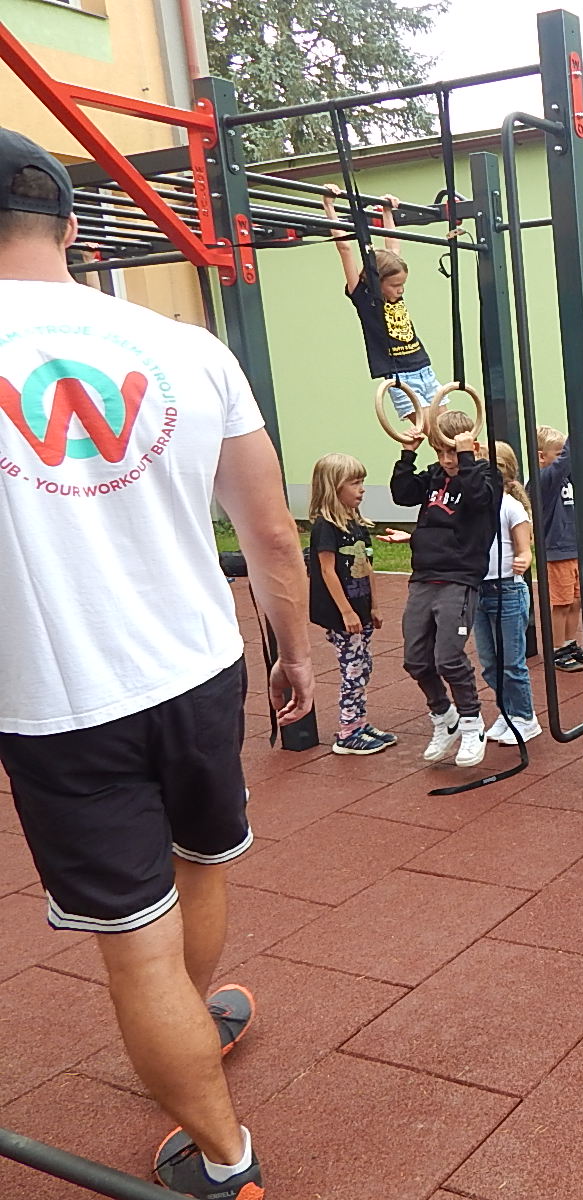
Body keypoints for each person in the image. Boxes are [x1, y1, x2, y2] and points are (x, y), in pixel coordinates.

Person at [0, 129, 313, 1198]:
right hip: (200, 666)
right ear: (70, 228)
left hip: (60, 699)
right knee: (204, 861)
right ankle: (194, 1038)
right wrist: (294, 652)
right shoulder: (188, 347)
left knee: (136, 944)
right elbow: (271, 533)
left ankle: (226, 1163)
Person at [385, 407, 498, 767]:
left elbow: (478, 499)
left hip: (459, 579)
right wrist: (408, 454)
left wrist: (466, 459)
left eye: (452, 452)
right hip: (423, 578)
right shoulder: (434, 475)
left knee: (448, 657)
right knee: (415, 660)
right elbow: (402, 494)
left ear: (471, 446)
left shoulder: (486, 476)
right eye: (440, 452)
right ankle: (444, 717)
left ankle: (472, 723)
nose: (447, 460)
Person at [321, 188, 440, 421]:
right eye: (395, 285)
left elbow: (393, 248)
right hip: (400, 376)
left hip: (424, 368)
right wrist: (329, 206)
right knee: (432, 431)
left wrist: (387, 211)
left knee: (448, 430)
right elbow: (345, 248)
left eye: (403, 284)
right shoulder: (363, 296)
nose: (401, 290)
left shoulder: (394, 290)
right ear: (378, 281)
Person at [308, 453, 394, 755]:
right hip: (343, 615)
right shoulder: (326, 527)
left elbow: (367, 567)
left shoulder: (355, 524)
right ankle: (347, 732)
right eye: (354, 483)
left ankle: (359, 723)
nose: (362, 489)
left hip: (360, 609)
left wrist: (374, 606)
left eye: (362, 482)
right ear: (334, 487)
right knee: (353, 670)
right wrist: (346, 611)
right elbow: (326, 570)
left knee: (362, 667)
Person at [477, 441, 542, 745]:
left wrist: (523, 560)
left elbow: (525, 548)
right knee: (490, 662)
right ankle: (508, 711)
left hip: (507, 589)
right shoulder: (476, 506)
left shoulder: (511, 507)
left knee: (512, 662)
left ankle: (526, 718)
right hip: (479, 589)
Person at [535, 424, 583, 671]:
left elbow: (571, 465)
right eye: (558, 453)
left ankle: (569, 642)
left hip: (574, 548)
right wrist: (578, 428)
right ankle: (556, 649)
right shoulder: (543, 479)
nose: (563, 458)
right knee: (562, 603)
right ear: (541, 457)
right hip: (557, 552)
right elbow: (563, 463)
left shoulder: (565, 478)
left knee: (576, 601)